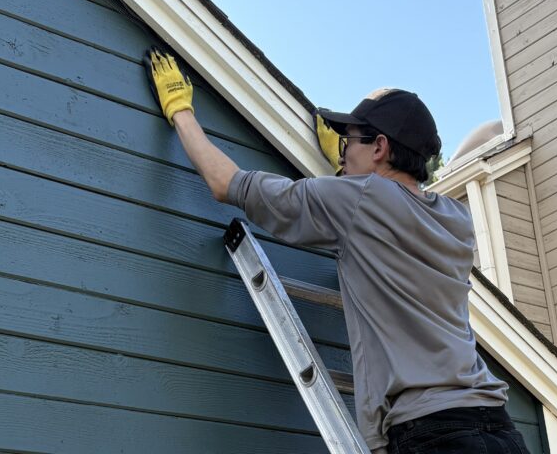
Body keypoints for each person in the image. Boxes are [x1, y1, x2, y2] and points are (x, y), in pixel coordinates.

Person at [147, 49, 529, 454]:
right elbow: (390, 213)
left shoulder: (358, 200)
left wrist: (180, 110)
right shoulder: (456, 218)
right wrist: (349, 169)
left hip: (433, 434)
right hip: (499, 427)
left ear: (379, 147)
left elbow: (227, 184)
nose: (343, 148)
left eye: (351, 140)